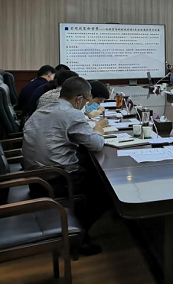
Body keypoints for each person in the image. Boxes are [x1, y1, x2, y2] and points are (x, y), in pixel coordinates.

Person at [22, 76, 110, 254]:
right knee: (106, 190)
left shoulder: (41, 111)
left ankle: (75, 225)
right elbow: (97, 144)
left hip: (34, 178)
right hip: (55, 180)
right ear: (78, 99)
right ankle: (77, 235)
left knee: (89, 165)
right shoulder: (72, 114)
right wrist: (98, 130)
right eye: (86, 100)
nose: (85, 104)